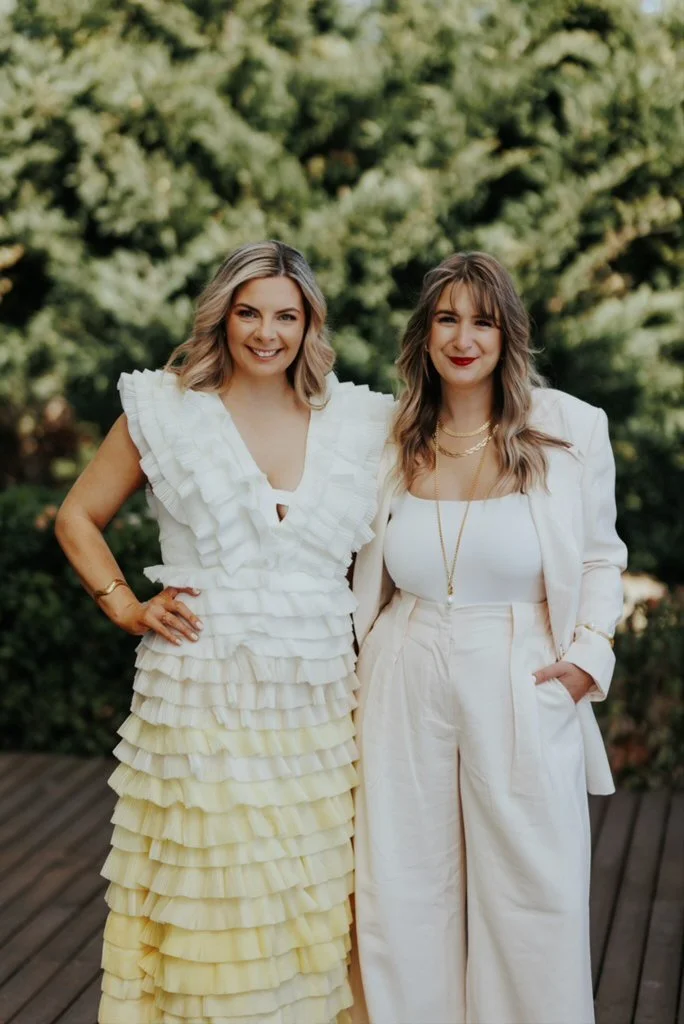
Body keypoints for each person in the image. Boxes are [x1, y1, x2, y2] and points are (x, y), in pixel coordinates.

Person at [55, 240, 392, 1024]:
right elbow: (78, 516)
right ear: (223, 316)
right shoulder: (165, 409)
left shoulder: (361, 420)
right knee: (212, 898)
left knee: (303, 900)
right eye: (249, 312)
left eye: (285, 315)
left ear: (311, 323)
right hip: (199, 698)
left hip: (315, 714)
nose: (266, 332)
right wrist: (124, 603)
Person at [351, 251, 627, 1024]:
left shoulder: (569, 428)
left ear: (509, 334)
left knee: (533, 887)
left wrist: (586, 658)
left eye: (483, 320)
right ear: (424, 333)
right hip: (402, 663)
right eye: (446, 318)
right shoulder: (389, 434)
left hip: (522, 665)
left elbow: (604, 555)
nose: (463, 337)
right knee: (403, 883)